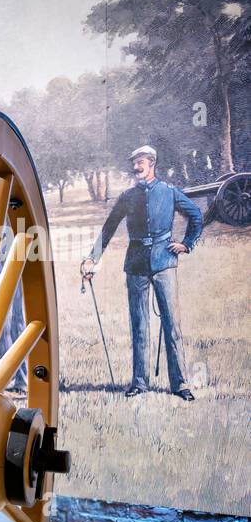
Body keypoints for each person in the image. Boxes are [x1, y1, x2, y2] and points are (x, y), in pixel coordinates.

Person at [81, 145, 203, 400]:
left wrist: (187, 244)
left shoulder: (169, 192)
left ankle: (180, 385)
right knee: (139, 325)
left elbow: (196, 216)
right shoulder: (127, 196)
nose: (136, 168)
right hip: (135, 264)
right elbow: (109, 227)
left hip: (165, 264)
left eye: (141, 163)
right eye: (134, 163)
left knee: (172, 325)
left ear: (152, 164)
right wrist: (92, 258)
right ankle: (139, 383)